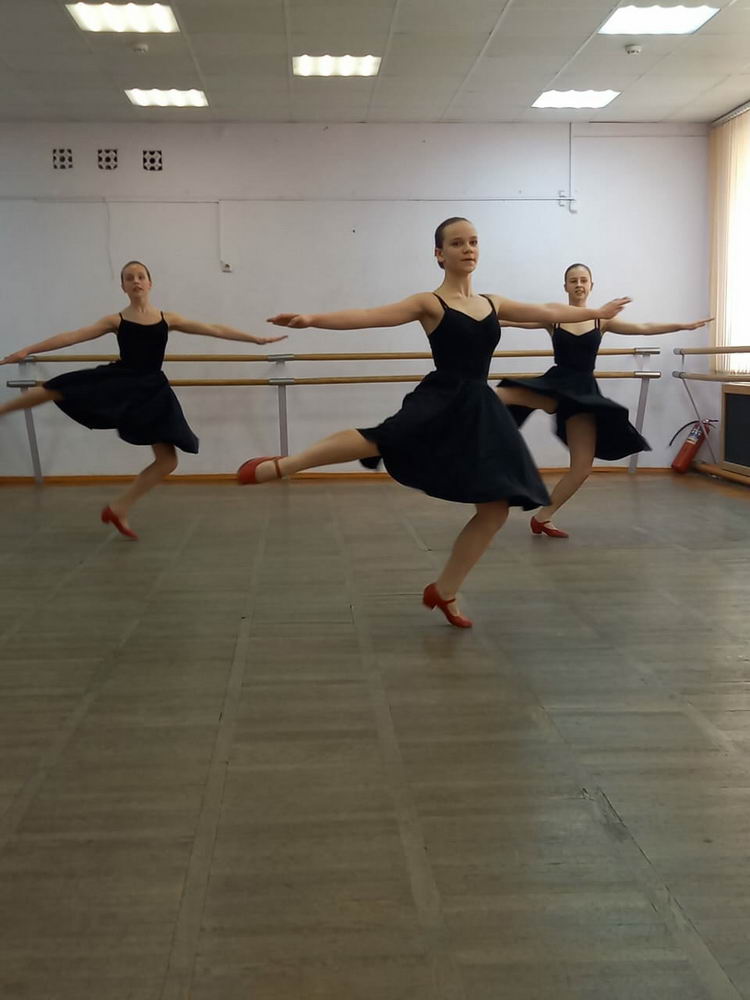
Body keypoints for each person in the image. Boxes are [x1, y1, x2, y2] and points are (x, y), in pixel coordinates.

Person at [237, 219, 630, 628]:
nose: (468, 249)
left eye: (473, 242)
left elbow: (547, 311)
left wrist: (597, 312)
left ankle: (444, 591)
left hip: (479, 406)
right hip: (442, 394)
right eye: (457, 243)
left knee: (496, 508)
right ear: (440, 254)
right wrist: (312, 319)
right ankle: (284, 466)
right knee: (380, 439)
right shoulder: (429, 303)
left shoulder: (493, 303)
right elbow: (370, 315)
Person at [0, 260, 286, 539]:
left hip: (151, 391)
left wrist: (256, 339)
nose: (135, 281)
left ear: (150, 283)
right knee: (59, 386)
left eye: (140, 276)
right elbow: (72, 336)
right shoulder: (116, 320)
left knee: (167, 461)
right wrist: (27, 350)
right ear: (123, 287)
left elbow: (214, 329)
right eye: (129, 277)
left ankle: (118, 508)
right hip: (122, 380)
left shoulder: (167, 318)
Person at [496, 262, 711, 537]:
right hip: (558, 383)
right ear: (565, 286)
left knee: (582, 467)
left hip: (584, 394)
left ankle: (543, 517)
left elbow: (643, 327)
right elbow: (510, 319)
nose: (578, 284)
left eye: (583, 280)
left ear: (591, 285)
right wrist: (475, 315)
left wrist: (682, 325)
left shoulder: (602, 320)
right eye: (573, 280)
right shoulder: (555, 317)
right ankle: (466, 417)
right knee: (505, 395)